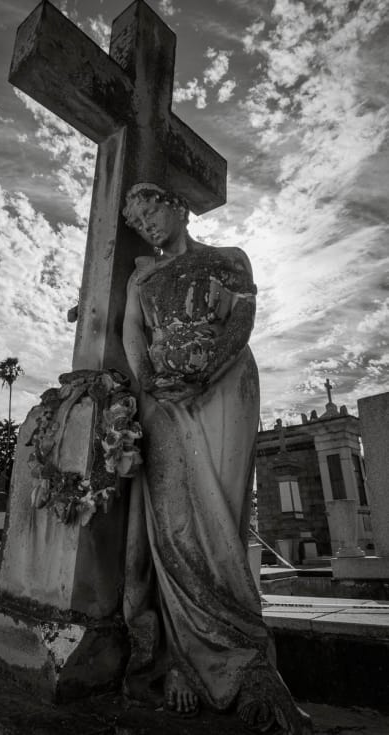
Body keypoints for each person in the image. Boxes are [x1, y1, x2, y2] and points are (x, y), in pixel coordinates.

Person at [121, 183, 311, 734]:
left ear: (178, 206)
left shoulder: (228, 260)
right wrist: (153, 382)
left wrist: (204, 373)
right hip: (163, 402)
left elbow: (242, 321)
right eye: (137, 220)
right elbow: (133, 333)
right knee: (174, 524)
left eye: (151, 209)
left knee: (222, 516)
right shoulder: (141, 277)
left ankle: (246, 662)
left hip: (225, 387)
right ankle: (183, 659)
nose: (147, 224)